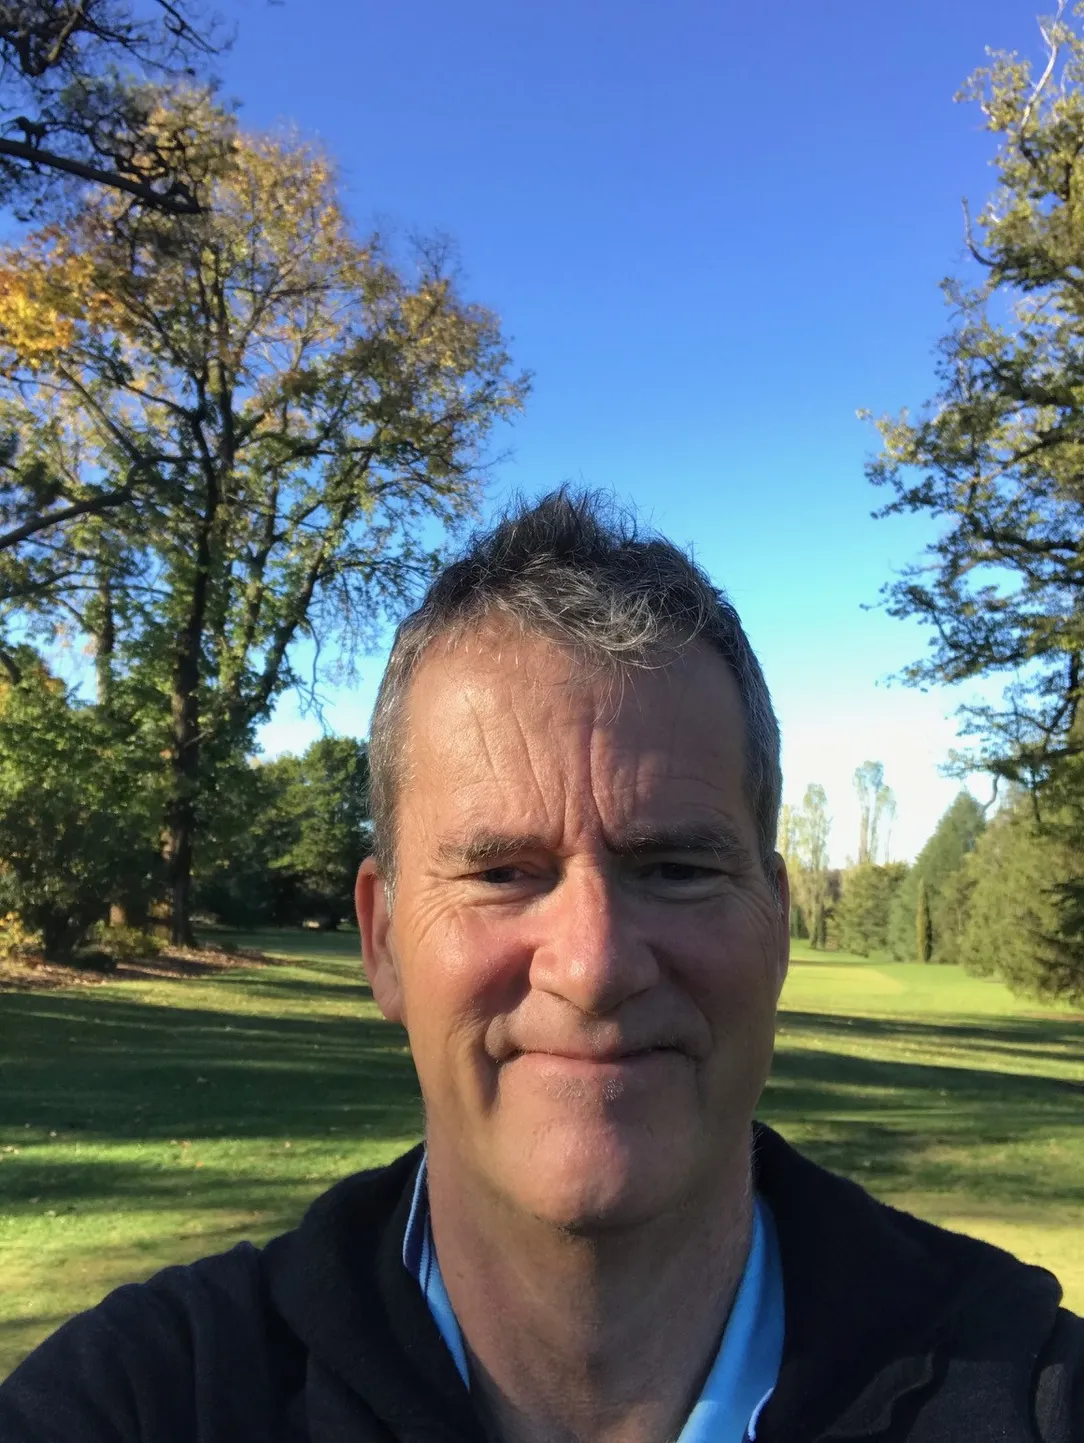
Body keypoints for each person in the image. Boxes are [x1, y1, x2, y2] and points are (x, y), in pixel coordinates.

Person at [1, 490, 1081, 1443]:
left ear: (779, 925)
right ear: (382, 941)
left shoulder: (1033, 1391)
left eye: (675, 868)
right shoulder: (153, 1397)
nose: (594, 964)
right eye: (502, 872)